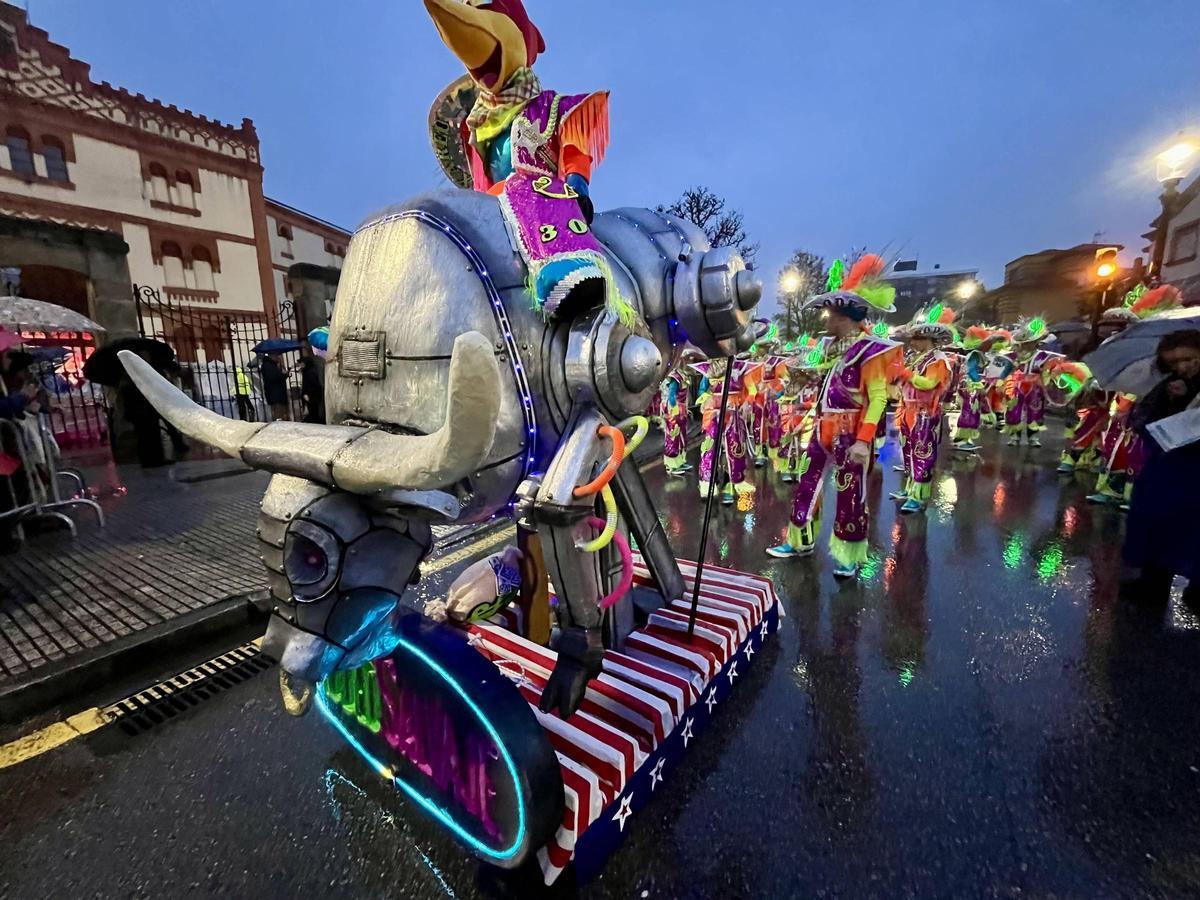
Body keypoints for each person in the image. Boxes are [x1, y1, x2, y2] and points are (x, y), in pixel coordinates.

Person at [767, 254, 902, 577]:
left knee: (849, 492)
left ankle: (849, 555)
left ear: (849, 317)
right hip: (822, 428)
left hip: (851, 433)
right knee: (807, 483)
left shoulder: (871, 350)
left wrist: (864, 441)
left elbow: (878, 398)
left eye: (832, 315)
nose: (826, 321)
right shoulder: (828, 346)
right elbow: (815, 376)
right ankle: (800, 541)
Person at [1121, 329, 1200, 611]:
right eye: (1175, 362)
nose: (1183, 367)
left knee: (1194, 529)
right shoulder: (1169, 385)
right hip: (1167, 465)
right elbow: (1143, 419)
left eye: (1189, 359)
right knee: (1154, 520)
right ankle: (1153, 583)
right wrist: (1174, 399)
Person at [889, 313, 954, 514]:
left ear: (930, 339)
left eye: (918, 338)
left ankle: (919, 496)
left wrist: (906, 374)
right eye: (913, 338)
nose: (913, 342)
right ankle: (909, 490)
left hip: (925, 413)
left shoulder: (938, 360)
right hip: (907, 410)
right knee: (907, 450)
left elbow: (929, 383)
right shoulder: (914, 358)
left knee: (922, 452)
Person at [259, 352, 290, 422]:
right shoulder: (268, 365)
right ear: (272, 356)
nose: (279, 358)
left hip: (277, 394)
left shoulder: (272, 365)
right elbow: (273, 378)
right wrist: (284, 375)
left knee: (280, 413)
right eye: (278, 356)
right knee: (278, 414)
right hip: (276, 394)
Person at [299, 356, 325, 424]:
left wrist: (308, 395)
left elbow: (313, 385)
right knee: (312, 413)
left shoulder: (310, 372)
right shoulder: (307, 371)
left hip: (312, 397)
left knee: (313, 413)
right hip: (310, 397)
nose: (300, 365)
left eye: (302, 363)